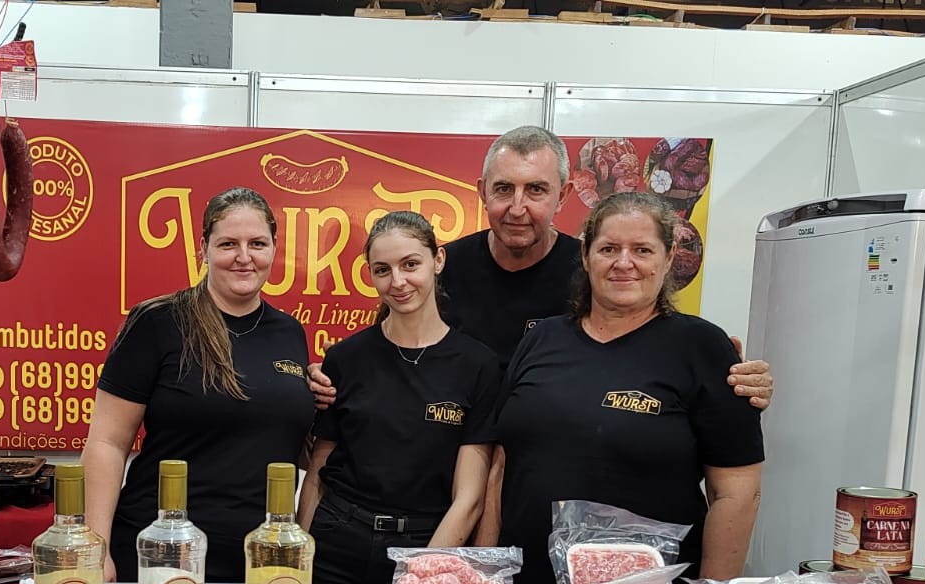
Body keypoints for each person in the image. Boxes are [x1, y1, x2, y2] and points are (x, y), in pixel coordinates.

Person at [305, 125, 773, 542]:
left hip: (512, 514)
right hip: (447, 502)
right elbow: (384, 357)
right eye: (504, 189)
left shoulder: (595, 270)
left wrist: (727, 380)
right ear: (482, 191)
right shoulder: (442, 269)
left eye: (536, 190)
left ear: (564, 194)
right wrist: (323, 383)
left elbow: (659, 353)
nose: (517, 207)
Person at [492, 192, 764, 584]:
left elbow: (736, 493)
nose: (624, 263)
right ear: (585, 255)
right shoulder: (541, 339)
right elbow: (503, 464)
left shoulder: (703, 348)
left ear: (670, 255)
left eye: (642, 249)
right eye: (608, 248)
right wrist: (493, 580)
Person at [81, 187, 315, 583]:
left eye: (257, 243)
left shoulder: (289, 332)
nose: (244, 257)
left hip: (257, 557)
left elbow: (284, 438)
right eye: (228, 244)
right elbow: (107, 442)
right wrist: (95, 548)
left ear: (275, 249)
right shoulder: (158, 322)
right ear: (203, 248)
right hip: (161, 548)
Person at [297, 212, 500, 584]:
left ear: (437, 260)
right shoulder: (346, 358)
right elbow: (320, 468)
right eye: (382, 270)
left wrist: (423, 573)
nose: (399, 282)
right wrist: (303, 555)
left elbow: (469, 497)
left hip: (426, 544)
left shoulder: (479, 365)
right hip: (339, 543)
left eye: (411, 264)